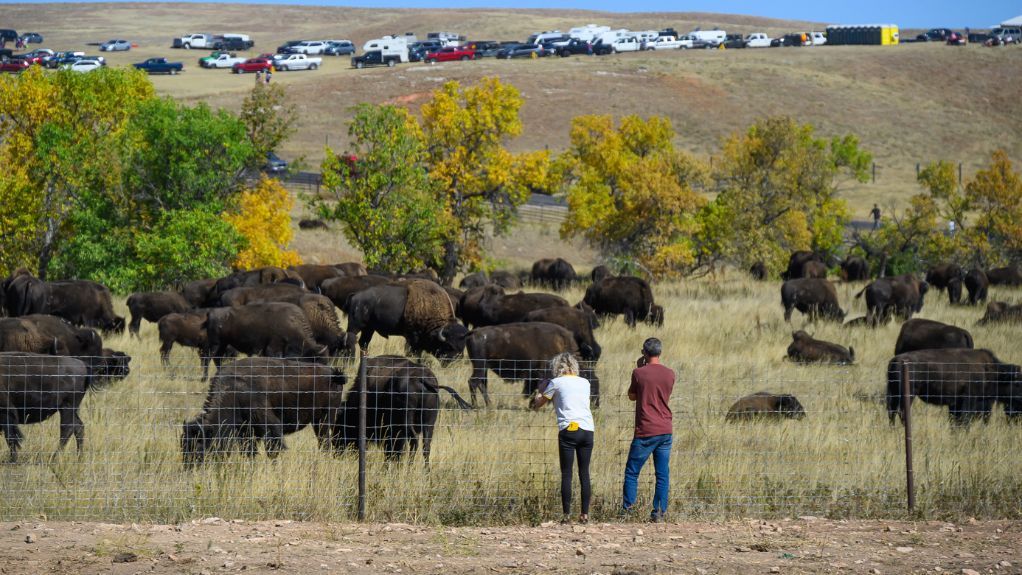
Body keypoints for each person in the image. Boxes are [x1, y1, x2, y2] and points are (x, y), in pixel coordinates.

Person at [530, 352, 594, 524]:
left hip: (568, 429)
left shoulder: (555, 383)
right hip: (587, 430)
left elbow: (538, 404)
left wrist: (541, 390)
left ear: (556, 367)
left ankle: (566, 516)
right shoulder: (585, 382)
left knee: (567, 473)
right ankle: (584, 514)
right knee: (584, 472)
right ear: (575, 367)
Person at [622, 337, 675, 522]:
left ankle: (628, 511)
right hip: (665, 429)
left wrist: (640, 367)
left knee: (632, 471)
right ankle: (659, 512)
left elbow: (632, 396)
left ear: (644, 352)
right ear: (660, 352)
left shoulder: (638, 373)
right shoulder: (670, 373)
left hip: (646, 429)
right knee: (662, 474)